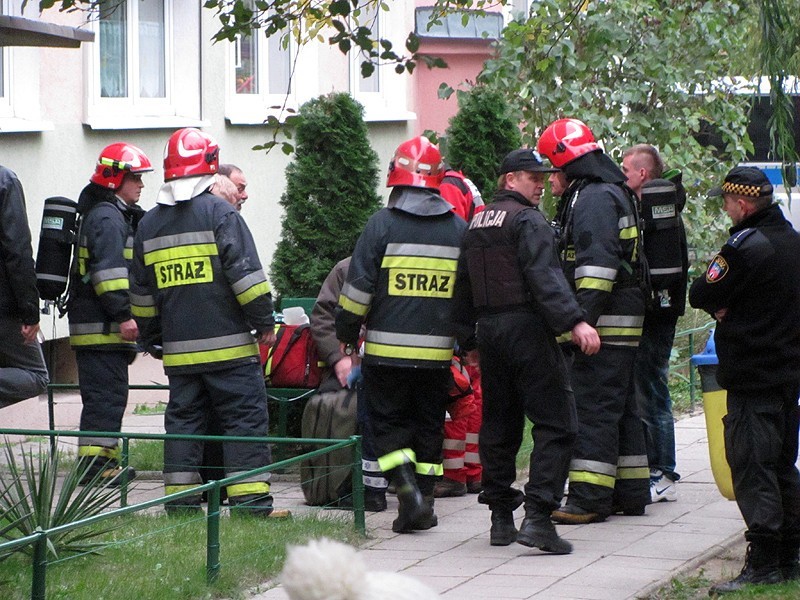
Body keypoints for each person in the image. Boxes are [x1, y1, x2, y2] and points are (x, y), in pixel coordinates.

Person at [451, 148, 600, 552]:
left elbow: (461, 283)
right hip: (528, 331)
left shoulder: (477, 222)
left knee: (500, 425)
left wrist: (468, 341)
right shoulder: (528, 221)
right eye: (532, 178)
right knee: (558, 424)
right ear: (509, 180)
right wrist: (575, 321)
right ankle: (538, 518)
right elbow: (544, 277)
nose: (540, 185)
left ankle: (501, 518)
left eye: (542, 178)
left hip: (490, 335)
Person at [130, 127, 283, 517]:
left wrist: (152, 338)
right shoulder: (220, 213)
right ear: (210, 166)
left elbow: (142, 296)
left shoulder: (148, 225)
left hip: (180, 356)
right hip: (231, 350)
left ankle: (181, 505)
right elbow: (246, 277)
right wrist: (263, 320)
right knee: (243, 421)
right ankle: (250, 505)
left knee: (184, 425)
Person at [335, 136, 466, 533]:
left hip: (385, 354)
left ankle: (405, 488)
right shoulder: (458, 229)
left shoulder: (382, 224)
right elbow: (468, 293)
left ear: (397, 177)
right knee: (429, 424)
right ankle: (422, 500)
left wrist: (345, 334)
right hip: (437, 356)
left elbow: (357, 290)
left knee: (387, 425)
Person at [689, 166, 800, 594]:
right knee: (782, 464)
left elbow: (701, 293)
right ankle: (789, 555)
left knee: (752, 466)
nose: (725, 209)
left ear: (742, 204)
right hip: (787, 375)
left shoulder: (744, 247)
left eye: (726, 202)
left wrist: (726, 306)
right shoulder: (791, 242)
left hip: (752, 374)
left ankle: (764, 561)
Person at [537, 118, 650, 523]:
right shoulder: (605, 191)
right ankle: (631, 490)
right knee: (619, 406)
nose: (548, 179)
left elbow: (596, 270)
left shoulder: (594, 199)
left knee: (592, 406)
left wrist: (578, 324)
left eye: (552, 168)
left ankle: (588, 498)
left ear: (569, 165)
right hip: (621, 316)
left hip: (604, 321)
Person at [67, 143, 152, 484]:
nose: (141, 185)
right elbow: (108, 273)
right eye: (135, 178)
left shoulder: (107, 212)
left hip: (98, 327)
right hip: (102, 328)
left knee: (106, 396)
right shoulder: (107, 216)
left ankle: (102, 464)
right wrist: (124, 317)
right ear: (116, 178)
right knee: (106, 397)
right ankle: (96, 469)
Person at [622, 144, 689, 503]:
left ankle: (663, 472)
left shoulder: (657, 215)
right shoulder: (658, 210)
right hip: (660, 310)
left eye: (627, 171)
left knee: (652, 390)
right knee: (648, 387)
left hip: (656, 315)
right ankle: (654, 468)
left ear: (643, 174)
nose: (623, 176)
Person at [310, 256, 388, 512]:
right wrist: (338, 358)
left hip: (391, 365)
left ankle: (402, 484)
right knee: (337, 404)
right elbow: (323, 317)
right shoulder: (345, 269)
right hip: (351, 363)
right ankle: (337, 483)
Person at [436, 168, 485, 498]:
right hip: (477, 300)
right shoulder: (466, 185)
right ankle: (472, 472)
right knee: (472, 392)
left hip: (458, 303)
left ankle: (455, 475)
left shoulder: (449, 188)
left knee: (457, 392)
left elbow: (448, 244)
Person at [0, 165, 49, 410]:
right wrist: (30, 311)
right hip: (5, 309)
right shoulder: (4, 181)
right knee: (36, 376)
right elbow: (17, 250)